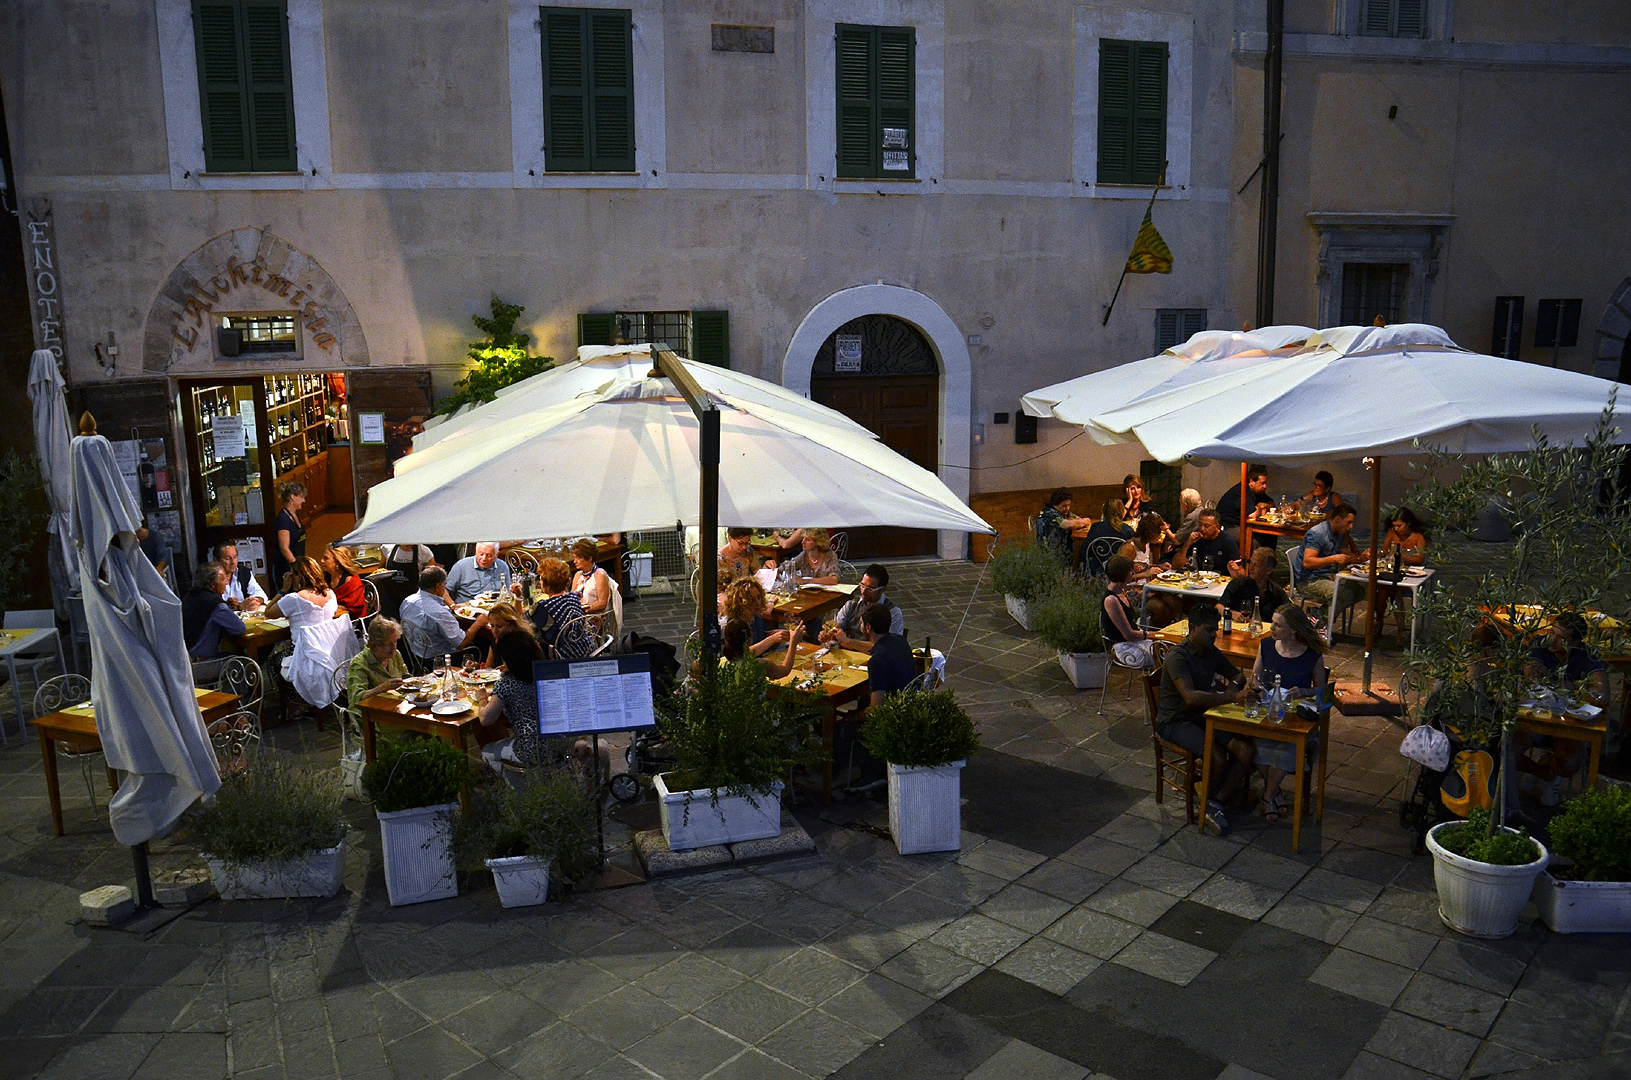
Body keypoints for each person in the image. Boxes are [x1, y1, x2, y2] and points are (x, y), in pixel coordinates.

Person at [1155, 605, 1255, 835]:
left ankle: (1214, 802)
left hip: (1203, 715)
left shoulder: (1211, 653)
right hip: (1175, 721)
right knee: (1217, 756)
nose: (1214, 634)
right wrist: (1230, 697)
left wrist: (1231, 690)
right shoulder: (1177, 657)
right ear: (1193, 628)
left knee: (1245, 749)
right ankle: (1206, 804)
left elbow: (1238, 676)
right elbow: (1190, 697)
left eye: (1216, 630)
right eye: (1209, 630)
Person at [1515, 612, 1607, 806]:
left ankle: (1551, 766)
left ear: (1575, 643)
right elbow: (1530, 676)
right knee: (1506, 749)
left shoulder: (1585, 655)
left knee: (1568, 764)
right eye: (1552, 633)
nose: (1552, 640)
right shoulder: (1540, 645)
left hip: (1568, 722)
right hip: (1536, 718)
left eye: (1561, 638)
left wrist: (1559, 688)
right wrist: (1574, 688)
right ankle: (1545, 775)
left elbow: (1602, 695)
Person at [1251, 605, 1328, 824]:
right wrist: (1258, 686)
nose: (1272, 628)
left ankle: (1268, 796)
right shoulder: (1266, 646)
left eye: (1277, 624)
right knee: (1255, 741)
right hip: (1269, 711)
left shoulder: (1312, 654)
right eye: (1272, 622)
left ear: (1293, 630)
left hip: (1296, 717)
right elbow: (1254, 678)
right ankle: (1275, 793)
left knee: (1288, 747)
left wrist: (1303, 691)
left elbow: (1322, 690)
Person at [264, 556, 359, 708]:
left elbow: (268, 612)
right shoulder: (330, 594)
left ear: (300, 576)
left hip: (303, 654)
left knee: (274, 660)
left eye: (292, 575)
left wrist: (282, 590)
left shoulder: (294, 599)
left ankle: (294, 704)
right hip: (330, 652)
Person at [477, 629, 573, 776]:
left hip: (532, 747)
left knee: (487, 752)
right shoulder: (547, 672)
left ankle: (516, 789)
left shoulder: (507, 684)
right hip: (563, 742)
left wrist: (482, 699)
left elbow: (486, 719)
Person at [400, 565, 489, 661]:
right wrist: (478, 623)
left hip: (416, 656)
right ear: (438, 587)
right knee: (483, 644)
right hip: (439, 660)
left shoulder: (407, 601)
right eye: (444, 586)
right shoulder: (439, 613)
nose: (445, 589)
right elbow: (461, 643)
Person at [1298, 504, 1367, 618]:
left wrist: (1362, 558)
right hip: (1309, 580)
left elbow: (1345, 553)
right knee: (1342, 593)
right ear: (1338, 519)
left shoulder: (1339, 533)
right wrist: (1334, 558)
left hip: (1327, 575)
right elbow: (1307, 562)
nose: (1351, 526)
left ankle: (1318, 615)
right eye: (1349, 522)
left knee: (1359, 590)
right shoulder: (1318, 533)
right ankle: (1321, 621)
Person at [183, 561, 247, 670]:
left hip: (185, 661)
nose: (226, 583)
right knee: (243, 662)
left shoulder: (190, 596)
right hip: (200, 665)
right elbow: (240, 628)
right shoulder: (216, 604)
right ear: (213, 585)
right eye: (223, 579)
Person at [1376, 506, 1428, 636]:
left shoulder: (1418, 537)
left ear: (1408, 524)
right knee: (1384, 588)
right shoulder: (1392, 534)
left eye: (1399, 525)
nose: (1396, 529)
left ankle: (1395, 627)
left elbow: (1420, 559)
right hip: (1393, 573)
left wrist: (1400, 555)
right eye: (1394, 526)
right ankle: (1382, 623)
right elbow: (1385, 550)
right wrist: (1381, 553)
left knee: (1393, 590)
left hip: (1409, 575)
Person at [531, 557, 595, 659]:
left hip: (563, 656)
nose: (539, 582)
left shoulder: (543, 607)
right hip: (586, 649)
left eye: (541, 579)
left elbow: (521, 621)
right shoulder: (573, 597)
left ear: (546, 584)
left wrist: (517, 597)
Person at [1102, 556, 1156, 667]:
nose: (1132, 573)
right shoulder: (1111, 600)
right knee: (1167, 654)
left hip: (1135, 642)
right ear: (1123, 574)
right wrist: (1151, 635)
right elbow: (1128, 634)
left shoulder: (1121, 592)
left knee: (1169, 650)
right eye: (1130, 571)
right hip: (1125, 649)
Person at [346, 616, 407, 707]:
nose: (394, 648)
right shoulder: (359, 664)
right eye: (389, 644)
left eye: (395, 642)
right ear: (374, 645)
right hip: (369, 715)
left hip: (394, 706)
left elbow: (406, 677)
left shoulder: (395, 655)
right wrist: (381, 688)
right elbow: (356, 698)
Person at [863, 604, 917, 706]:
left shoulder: (876, 661)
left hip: (893, 712)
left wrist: (856, 716)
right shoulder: (900, 640)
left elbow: (876, 708)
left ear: (868, 627)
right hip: (909, 702)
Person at [723, 577, 791, 657]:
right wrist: (772, 639)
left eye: (758, 597)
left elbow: (762, 640)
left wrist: (778, 636)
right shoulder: (734, 624)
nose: (758, 603)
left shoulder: (755, 617)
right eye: (752, 600)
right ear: (740, 602)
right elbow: (742, 654)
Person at [1220, 547, 1289, 623]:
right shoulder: (1238, 584)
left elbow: (1290, 614)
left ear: (1268, 570)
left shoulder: (1277, 592)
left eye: (1256, 565)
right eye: (1250, 563)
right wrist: (1232, 614)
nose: (1251, 568)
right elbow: (1218, 606)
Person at [722, 617, 804, 680]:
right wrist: (793, 643)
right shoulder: (759, 665)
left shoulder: (722, 663)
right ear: (750, 639)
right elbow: (784, 670)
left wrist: (773, 638)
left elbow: (748, 652)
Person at [1176, 509, 1243, 575]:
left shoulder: (1228, 541)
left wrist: (1235, 569)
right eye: (1200, 525)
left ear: (1217, 526)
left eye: (1206, 526)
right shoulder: (1196, 539)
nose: (1202, 529)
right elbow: (1176, 566)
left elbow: (1240, 571)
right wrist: (1188, 543)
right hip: (1199, 580)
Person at [1035, 488, 1091, 563]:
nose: (1067, 508)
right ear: (1055, 504)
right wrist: (1079, 522)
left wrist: (1079, 522)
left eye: (1069, 505)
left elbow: (1081, 519)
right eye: (1064, 506)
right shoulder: (1049, 513)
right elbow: (1068, 524)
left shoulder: (1064, 512)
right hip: (1052, 552)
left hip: (1064, 548)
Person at [1079, 498, 1134, 572]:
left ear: (1104, 511)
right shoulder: (1127, 530)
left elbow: (1085, 551)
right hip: (1120, 569)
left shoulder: (1096, 527)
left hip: (1099, 567)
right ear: (1121, 511)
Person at [446, 542, 512, 603]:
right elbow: (445, 591)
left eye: (488, 555)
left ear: (496, 555)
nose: (484, 559)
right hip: (466, 608)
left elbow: (508, 592)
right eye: (481, 554)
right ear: (475, 552)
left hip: (493, 609)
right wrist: (452, 605)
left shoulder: (502, 566)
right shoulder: (461, 566)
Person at [271, 481, 307, 589]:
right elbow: (284, 549)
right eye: (301, 497)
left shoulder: (295, 514)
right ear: (292, 497)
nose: (303, 500)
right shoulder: (283, 520)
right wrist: (297, 568)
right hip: (286, 568)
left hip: (297, 564)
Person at [212, 542, 267, 612]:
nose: (233, 562)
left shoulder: (243, 572)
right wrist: (227, 605)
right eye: (227, 558)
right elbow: (208, 604)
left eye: (235, 557)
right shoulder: (211, 577)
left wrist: (255, 601)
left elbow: (259, 593)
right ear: (216, 560)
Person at [1218, 464, 1273, 531]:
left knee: (1269, 535)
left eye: (1265, 483)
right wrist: (1259, 506)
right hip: (1227, 526)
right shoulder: (1243, 491)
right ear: (1251, 482)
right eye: (1262, 483)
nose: (1265, 486)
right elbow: (1252, 515)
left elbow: (1271, 503)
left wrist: (1264, 508)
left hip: (1239, 524)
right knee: (1257, 539)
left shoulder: (1257, 491)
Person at [482, 600, 536, 667]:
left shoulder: (520, 640)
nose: (495, 631)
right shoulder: (496, 639)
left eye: (500, 626)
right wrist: (477, 666)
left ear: (512, 624)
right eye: (492, 626)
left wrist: (507, 668)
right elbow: (488, 667)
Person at [571, 538, 616, 617]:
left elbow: (602, 603)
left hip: (594, 618)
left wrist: (583, 610)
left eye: (578, 558)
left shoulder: (600, 575)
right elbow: (571, 599)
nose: (575, 561)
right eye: (574, 558)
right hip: (579, 616)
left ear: (589, 558)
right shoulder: (578, 575)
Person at [323, 544, 368, 620]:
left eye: (326, 558)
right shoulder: (325, 577)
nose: (322, 561)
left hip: (352, 621)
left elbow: (355, 608)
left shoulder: (352, 581)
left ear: (337, 562)